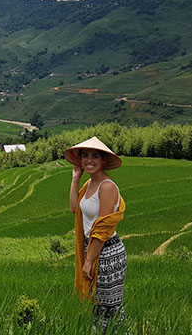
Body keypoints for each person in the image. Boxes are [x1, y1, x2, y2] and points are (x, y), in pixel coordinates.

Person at [65, 136, 127, 333]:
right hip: (91, 249)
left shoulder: (107, 187)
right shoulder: (89, 184)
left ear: (103, 161)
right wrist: (76, 179)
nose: (89, 160)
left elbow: (102, 229)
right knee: (94, 304)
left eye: (95, 156)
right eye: (85, 156)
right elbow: (74, 208)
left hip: (107, 252)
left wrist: (89, 260)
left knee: (107, 305)